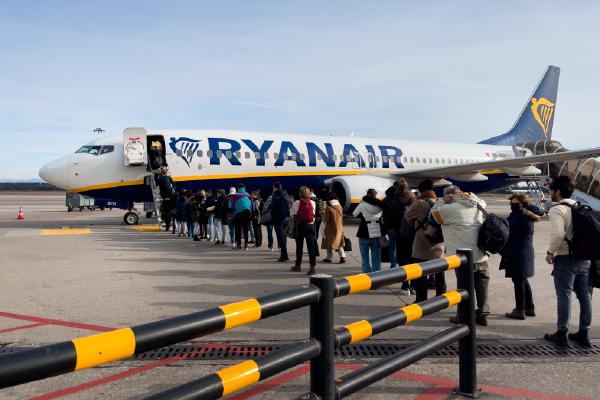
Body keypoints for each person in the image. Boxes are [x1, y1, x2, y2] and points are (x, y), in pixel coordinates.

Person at [430, 185, 490, 326]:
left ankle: (463, 316)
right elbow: (482, 202)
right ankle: (482, 313)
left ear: (449, 196)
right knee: (482, 286)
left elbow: (433, 216)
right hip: (481, 253)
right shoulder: (477, 203)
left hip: (462, 257)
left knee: (464, 287)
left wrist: (441, 201)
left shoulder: (448, 209)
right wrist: (469, 195)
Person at [544, 176, 592, 347]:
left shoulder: (558, 209)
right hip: (585, 258)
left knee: (564, 295)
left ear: (557, 191)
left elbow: (557, 234)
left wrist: (550, 252)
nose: (550, 194)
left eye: (551, 191)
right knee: (585, 296)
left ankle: (562, 333)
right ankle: (584, 333)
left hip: (566, 258)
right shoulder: (579, 206)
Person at [501, 193, 544, 320]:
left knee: (518, 281)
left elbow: (506, 228)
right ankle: (529, 308)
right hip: (523, 252)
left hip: (518, 253)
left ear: (521, 205)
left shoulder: (520, 217)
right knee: (523, 280)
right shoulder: (525, 215)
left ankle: (520, 310)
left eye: (514, 204)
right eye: (511, 203)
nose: (512, 206)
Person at [405, 179, 445, 302]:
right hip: (438, 242)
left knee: (421, 272)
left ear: (421, 190)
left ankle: (421, 299)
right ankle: (441, 296)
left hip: (422, 242)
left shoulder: (420, 203)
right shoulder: (440, 202)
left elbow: (407, 215)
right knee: (439, 271)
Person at [353, 188, 384, 273]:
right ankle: (377, 275)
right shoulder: (379, 205)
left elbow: (354, 214)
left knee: (365, 257)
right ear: (375, 195)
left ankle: (366, 274)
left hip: (364, 231)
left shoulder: (362, 204)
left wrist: (362, 215)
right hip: (376, 231)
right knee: (376, 256)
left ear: (367, 194)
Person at [290, 186, 317, 274]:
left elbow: (292, 214)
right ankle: (312, 267)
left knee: (299, 247)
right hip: (310, 226)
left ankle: (298, 266)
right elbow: (313, 214)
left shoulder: (297, 203)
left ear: (300, 193)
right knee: (311, 248)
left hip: (300, 226)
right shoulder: (312, 202)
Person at [271, 181, 293, 262]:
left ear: (275, 187)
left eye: (273, 187)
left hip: (278, 219)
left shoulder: (275, 196)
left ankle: (284, 256)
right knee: (283, 237)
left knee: (280, 238)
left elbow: (273, 209)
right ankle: (284, 254)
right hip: (286, 219)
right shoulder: (285, 195)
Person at [321, 192, 346, 264]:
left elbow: (326, 220)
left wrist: (322, 215)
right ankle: (342, 256)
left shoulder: (328, 207)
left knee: (329, 242)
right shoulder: (339, 205)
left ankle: (329, 257)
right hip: (339, 227)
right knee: (339, 243)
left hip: (330, 228)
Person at [229, 183, 254, 250]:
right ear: (244, 188)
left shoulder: (235, 195)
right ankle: (246, 245)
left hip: (238, 213)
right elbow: (252, 206)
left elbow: (230, 206)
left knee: (238, 229)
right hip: (247, 212)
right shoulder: (248, 195)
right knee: (245, 228)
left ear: (238, 188)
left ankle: (239, 245)